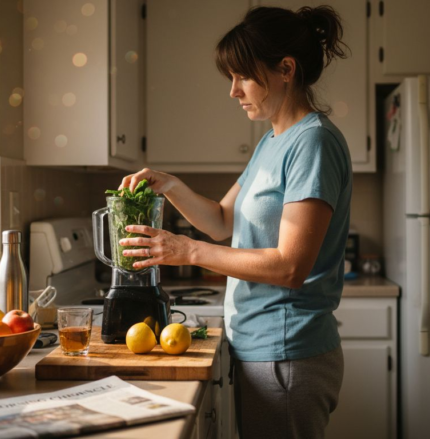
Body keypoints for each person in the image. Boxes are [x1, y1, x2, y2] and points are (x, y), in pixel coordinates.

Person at [118, 6, 352, 438]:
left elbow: (290, 267)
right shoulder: (272, 142)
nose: (233, 91)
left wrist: (185, 251)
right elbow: (222, 220)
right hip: (258, 346)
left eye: (242, 76)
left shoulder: (312, 143)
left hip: (287, 353)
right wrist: (170, 185)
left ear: (285, 69)